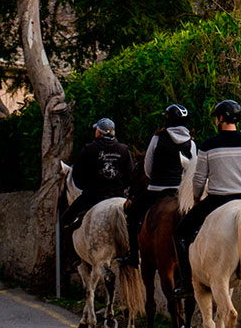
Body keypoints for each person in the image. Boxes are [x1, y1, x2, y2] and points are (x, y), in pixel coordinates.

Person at [173, 99, 241, 297]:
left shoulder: (208, 146)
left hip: (217, 200)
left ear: (221, 118)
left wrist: (196, 197)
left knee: (180, 234)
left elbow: (199, 179)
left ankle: (185, 284)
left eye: (216, 118)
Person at [121, 104, 195, 285]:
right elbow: (193, 168)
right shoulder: (191, 143)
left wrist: (156, 177)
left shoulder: (157, 138)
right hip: (180, 193)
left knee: (133, 213)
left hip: (157, 190)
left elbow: (147, 166)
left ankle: (133, 254)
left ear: (167, 120)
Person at [61, 118, 134, 263]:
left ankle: (73, 259)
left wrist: (87, 187)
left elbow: (77, 177)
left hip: (93, 196)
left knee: (66, 219)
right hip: (118, 195)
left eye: (96, 130)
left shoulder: (88, 149)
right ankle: (134, 253)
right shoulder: (124, 149)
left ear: (99, 133)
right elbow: (130, 176)